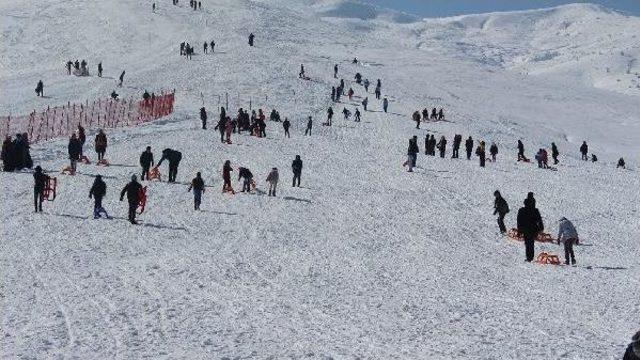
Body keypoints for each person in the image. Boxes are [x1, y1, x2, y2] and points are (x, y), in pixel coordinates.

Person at [517, 193, 544, 262]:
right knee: (531, 243)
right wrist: (541, 228)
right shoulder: (535, 210)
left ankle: (529, 257)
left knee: (527, 243)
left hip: (525, 229)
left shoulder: (522, 210)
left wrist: (519, 231)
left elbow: (519, 221)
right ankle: (530, 257)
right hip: (533, 229)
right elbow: (539, 220)